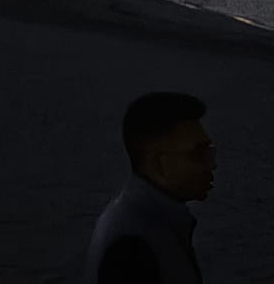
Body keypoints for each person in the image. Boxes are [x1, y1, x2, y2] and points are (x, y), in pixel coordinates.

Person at [86, 92, 216, 284]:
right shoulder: (132, 249)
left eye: (209, 151)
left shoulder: (134, 221)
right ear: (158, 163)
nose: (212, 164)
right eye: (198, 154)